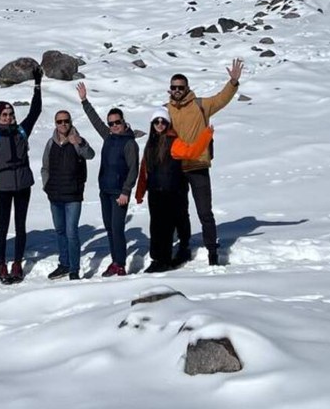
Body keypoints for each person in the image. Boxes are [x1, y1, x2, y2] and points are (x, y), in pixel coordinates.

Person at [167, 60, 243, 265]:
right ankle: (183, 248)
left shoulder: (201, 105)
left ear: (187, 88)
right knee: (179, 213)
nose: (176, 90)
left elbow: (221, 99)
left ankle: (212, 251)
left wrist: (233, 82)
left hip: (198, 166)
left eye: (180, 87)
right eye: (173, 87)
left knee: (204, 211)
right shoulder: (166, 110)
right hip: (176, 168)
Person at [0, 65, 43, 283]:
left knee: (21, 226)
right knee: (3, 227)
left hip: (23, 184)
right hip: (3, 187)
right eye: (4, 114)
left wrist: (37, 85)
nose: (8, 117)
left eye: (11, 114)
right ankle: (1, 264)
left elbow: (35, 111)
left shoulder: (22, 131)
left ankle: (16, 263)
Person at [135, 110, 212, 272]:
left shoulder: (173, 142)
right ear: (152, 125)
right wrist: (140, 192)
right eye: (156, 122)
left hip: (172, 191)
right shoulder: (150, 144)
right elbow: (144, 171)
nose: (160, 125)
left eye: (163, 121)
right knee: (155, 227)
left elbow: (192, 152)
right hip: (155, 192)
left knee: (168, 226)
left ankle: (166, 258)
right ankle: (157, 259)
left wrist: (207, 135)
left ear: (168, 123)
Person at [76, 82, 139, 276]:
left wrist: (126, 191)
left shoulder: (129, 143)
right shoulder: (108, 136)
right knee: (110, 229)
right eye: (111, 123)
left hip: (120, 193)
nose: (113, 126)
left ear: (123, 122)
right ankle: (115, 261)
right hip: (105, 191)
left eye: (116, 122)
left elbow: (133, 169)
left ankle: (120, 264)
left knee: (118, 229)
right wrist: (85, 101)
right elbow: (95, 121)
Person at [41, 108, 95, 280]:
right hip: (55, 195)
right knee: (60, 231)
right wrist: (46, 185)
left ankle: (74, 269)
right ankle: (64, 264)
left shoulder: (76, 140)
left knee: (72, 232)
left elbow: (90, 155)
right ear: (55, 124)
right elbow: (45, 167)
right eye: (59, 121)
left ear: (70, 122)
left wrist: (79, 142)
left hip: (73, 195)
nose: (63, 124)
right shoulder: (51, 143)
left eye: (66, 121)